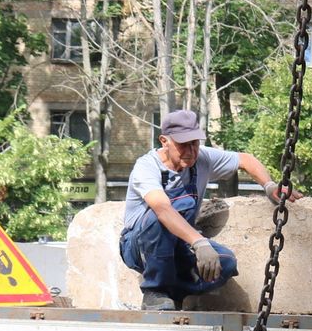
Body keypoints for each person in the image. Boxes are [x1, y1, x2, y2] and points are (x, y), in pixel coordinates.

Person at [119, 108, 296, 310]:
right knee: (160, 217)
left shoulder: (202, 158)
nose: (190, 151)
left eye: (194, 144)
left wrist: (269, 185)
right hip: (138, 245)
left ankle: (176, 293)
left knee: (226, 263)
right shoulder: (147, 166)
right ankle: (155, 292)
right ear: (164, 141)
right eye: (182, 145)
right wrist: (200, 242)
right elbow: (162, 210)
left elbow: (246, 160)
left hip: (180, 243)